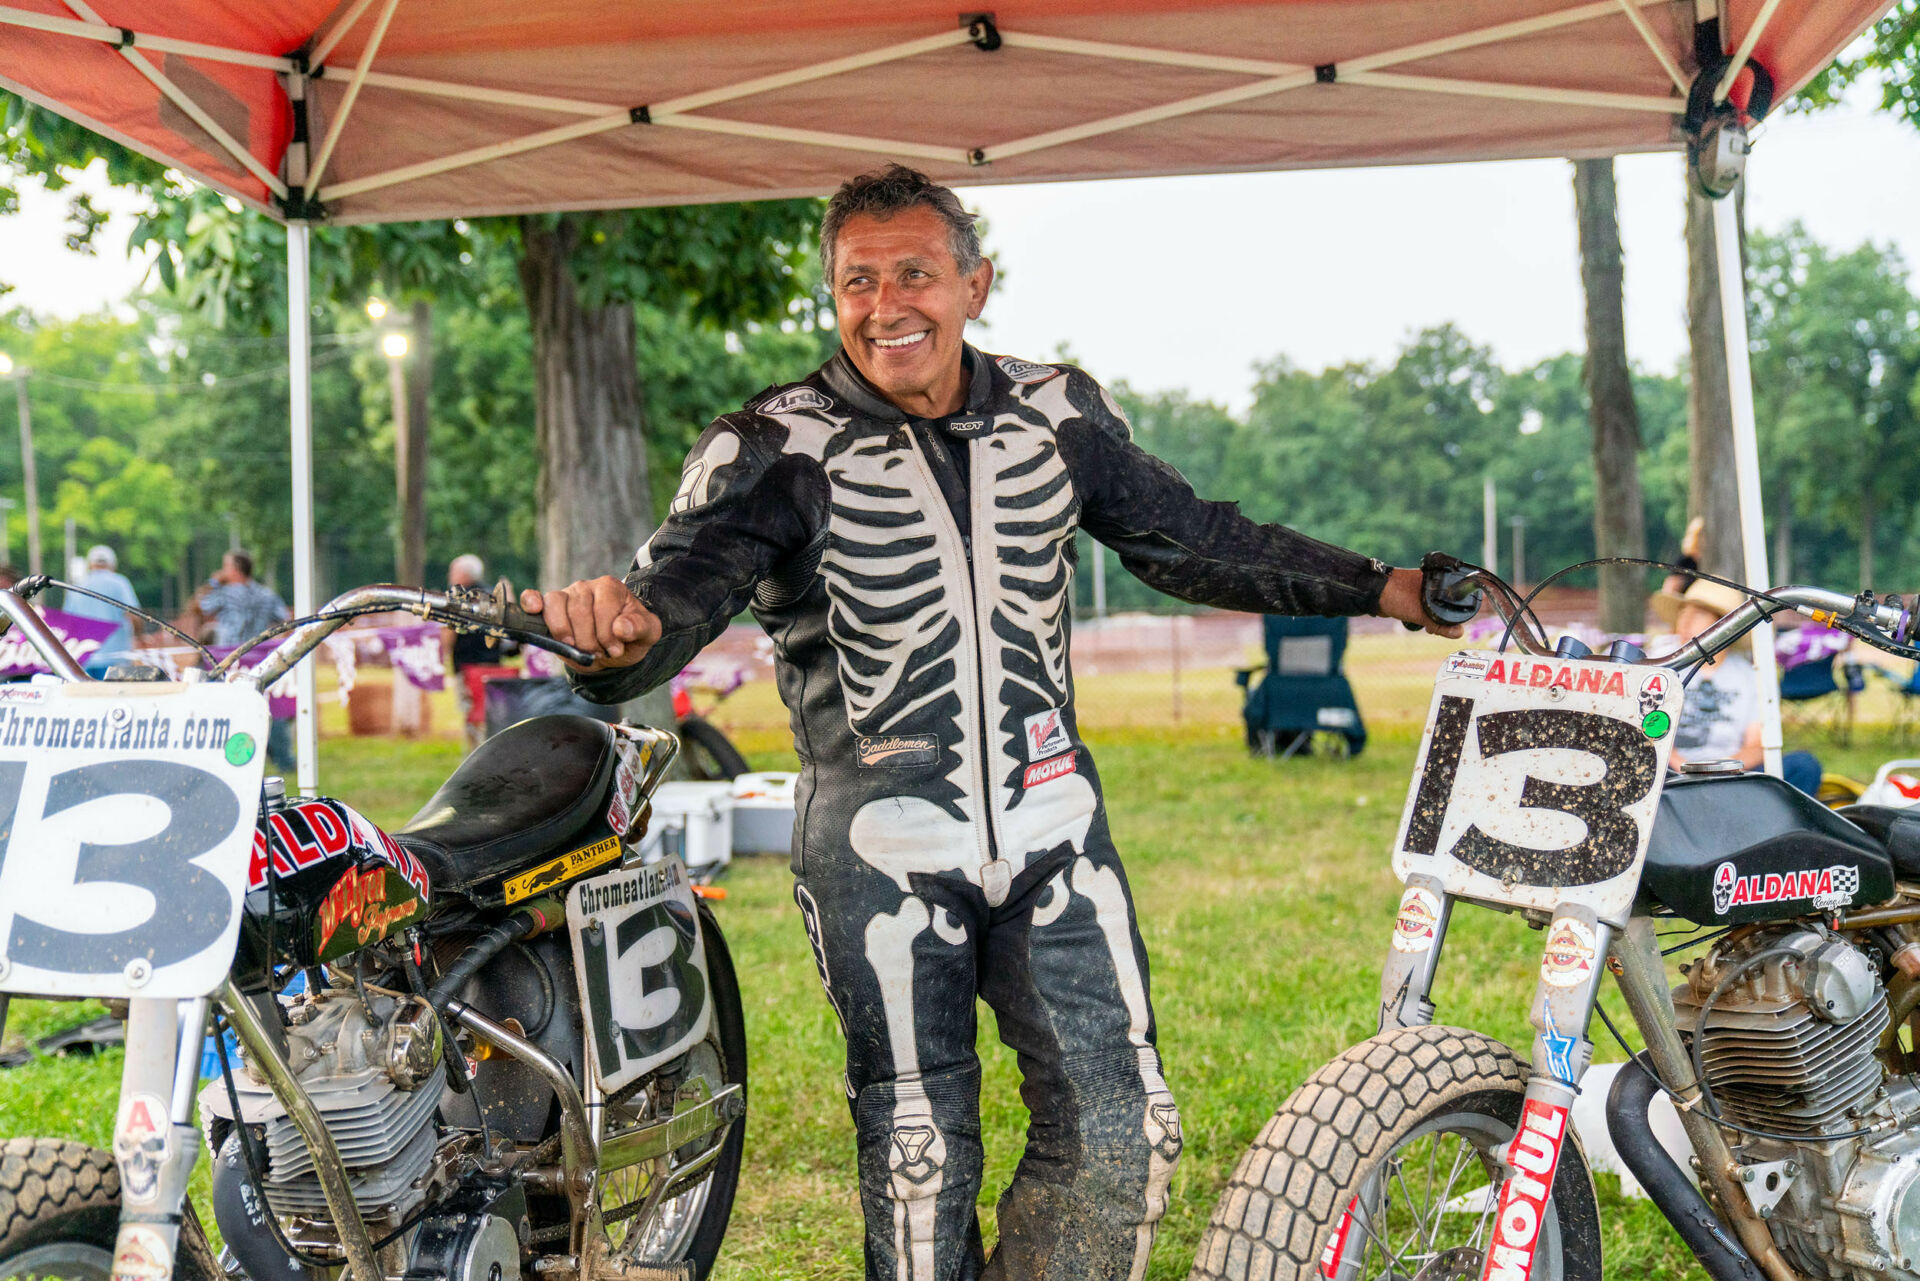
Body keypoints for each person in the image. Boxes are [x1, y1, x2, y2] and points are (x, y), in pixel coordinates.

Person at [523, 164, 1463, 1281]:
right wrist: (613, 640)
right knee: (919, 1161)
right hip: (880, 848)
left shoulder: (1058, 409)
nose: (886, 306)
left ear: (975, 281)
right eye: (857, 282)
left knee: (1129, 1129)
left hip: (1056, 825)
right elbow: (669, 602)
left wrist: (1387, 586)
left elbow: (1192, 538)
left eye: (915, 273)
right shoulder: (772, 445)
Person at [1654, 577, 1822, 794]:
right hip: (1670, 771)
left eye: (1697, 614)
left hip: (1731, 774)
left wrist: (1720, 770)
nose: (1684, 622)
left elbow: (1756, 745)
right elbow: (1649, 734)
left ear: (1723, 624)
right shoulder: (1663, 667)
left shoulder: (1749, 675)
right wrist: (1683, 767)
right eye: (1682, 613)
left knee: (1804, 766)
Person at [191, 551, 294, 769]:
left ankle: (234, 757)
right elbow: (284, 617)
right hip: (260, 657)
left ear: (236, 569)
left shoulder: (225, 593)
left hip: (230, 659)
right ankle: (283, 759)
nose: (224, 571)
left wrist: (213, 582)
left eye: (226, 566)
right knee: (269, 706)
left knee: (229, 708)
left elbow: (199, 606)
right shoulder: (266, 593)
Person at [443, 553, 514, 749]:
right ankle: (494, 752)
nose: (450, 575)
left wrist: (443, 654)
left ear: (465, 574)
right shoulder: (493, 597)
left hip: (467, 667)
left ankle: (475, 758)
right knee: (492, 717)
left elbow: (449, 634)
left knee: (473, 717)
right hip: (495, 667)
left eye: (453, 571)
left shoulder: (458, 599)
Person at [65, 544, 143, 674]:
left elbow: (68, 622)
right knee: (115, 693)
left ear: (90, 564)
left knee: (88, 693)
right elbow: (133, 615)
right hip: (117, 656)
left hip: (85, 657)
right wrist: (139, 637)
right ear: (113, 564)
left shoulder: (77, 586)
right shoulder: (120, 583)